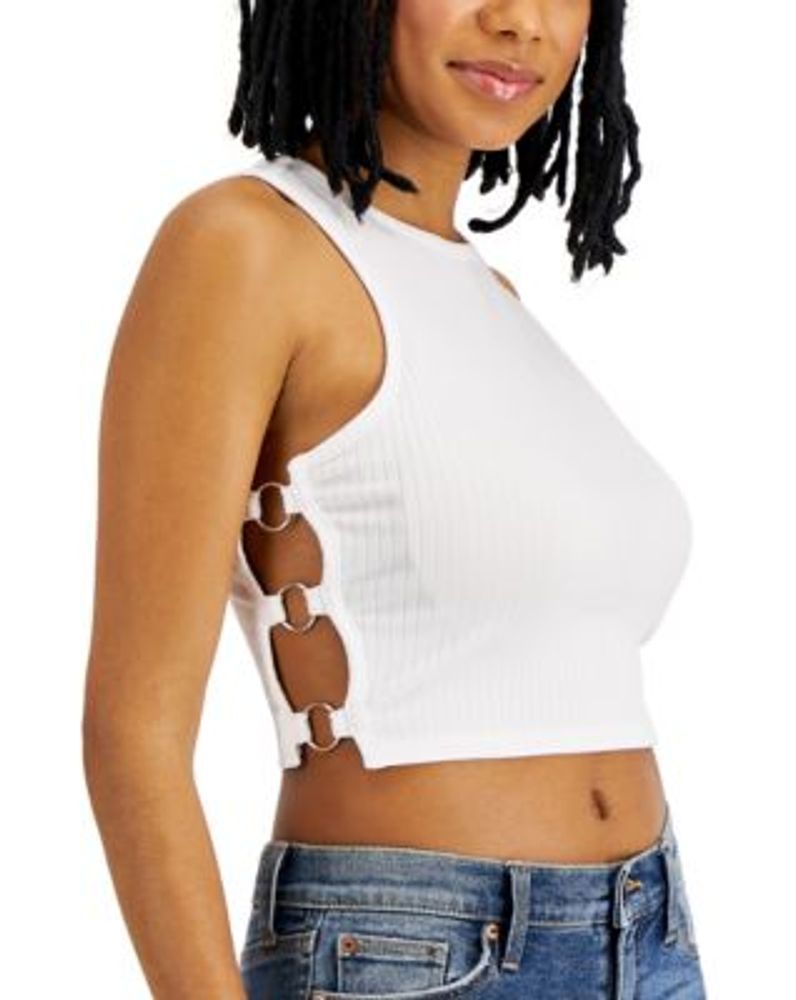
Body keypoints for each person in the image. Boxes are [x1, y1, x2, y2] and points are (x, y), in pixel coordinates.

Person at [82, 1, 708, 997]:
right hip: (410, 951)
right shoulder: (245, 245)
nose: (518, 21)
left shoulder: (491, 297)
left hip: (650, 934)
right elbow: (135, 735)